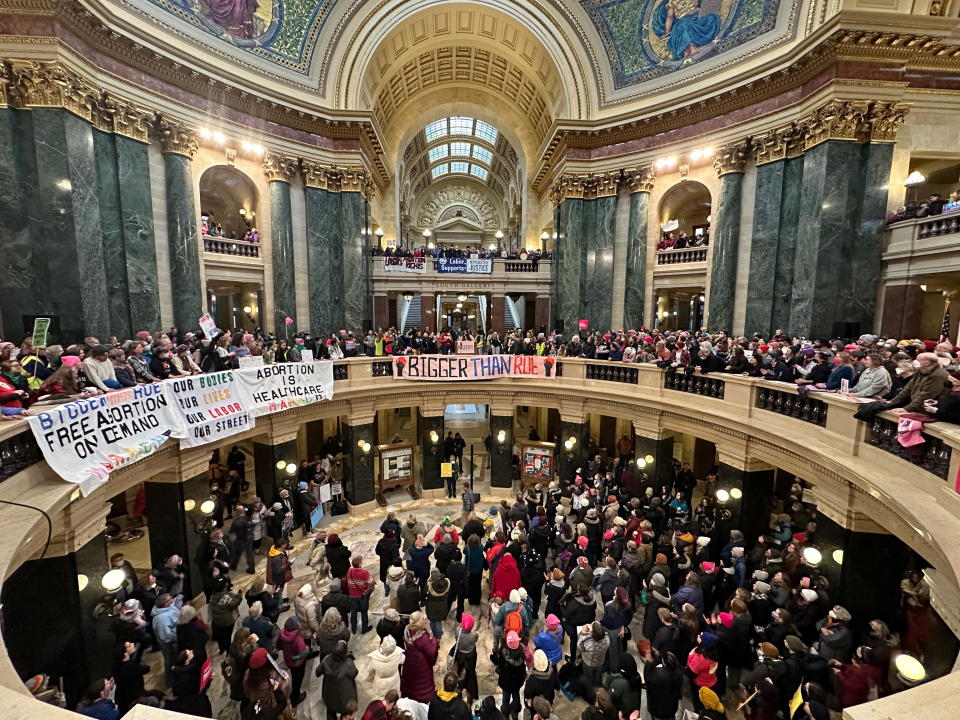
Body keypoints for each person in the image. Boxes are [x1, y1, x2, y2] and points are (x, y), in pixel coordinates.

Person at [401, 612, 440, 703]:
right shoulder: (422, 637)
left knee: (411, 683)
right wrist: (434, 641)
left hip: (410, 662)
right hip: (421, 665)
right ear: (419, 622)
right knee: (422, 687)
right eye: (423, 619)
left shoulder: (408, 631)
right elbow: (431, 652)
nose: (425, 620)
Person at [316, 640, 359, 720]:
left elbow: (317, 672)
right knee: (347, 716)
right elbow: (354, 673)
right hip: (345, 698)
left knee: (330, 712)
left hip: (330, 695)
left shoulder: (326, 660)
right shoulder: (348, 663)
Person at [278, 616, 316, 706]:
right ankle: (295, 697)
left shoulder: (282, 633)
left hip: (288, 659)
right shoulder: (298, 639)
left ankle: (294, 695)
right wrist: (307, 649)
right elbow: (302, 653)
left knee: (294, 675)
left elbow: (278, 645)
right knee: (297, 679)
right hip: (298, 663)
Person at [497, 630, 528, 720]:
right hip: (517, 679)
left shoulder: (503, 650)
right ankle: (515, 711)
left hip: (506, 679)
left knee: (505, 696)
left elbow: (499, 663)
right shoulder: (522, 648)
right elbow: (523, 664)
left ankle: (505, 713)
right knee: (516, 694)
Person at [576, 622, 609, 703]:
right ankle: (599, 689)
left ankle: (590, 696)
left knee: (588, 679)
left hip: (588, 664)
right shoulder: (607, 638)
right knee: (598, 675)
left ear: (592, 633)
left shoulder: (588, 642)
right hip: (600, 662)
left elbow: (580, 647)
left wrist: (582, 634)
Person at [367, 635, 405, 699]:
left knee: (381, 700)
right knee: (394, 698)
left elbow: (370, 670)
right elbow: (403, 660)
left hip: (381, 684)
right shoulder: (398, 654)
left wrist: (370, 679)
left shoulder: (375, 658)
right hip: (394, 682)